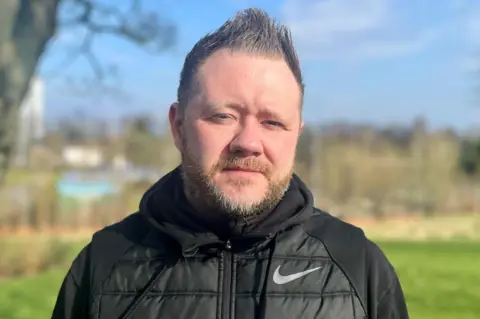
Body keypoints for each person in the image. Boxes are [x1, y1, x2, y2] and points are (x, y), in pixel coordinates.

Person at [51, 8, 409, 319]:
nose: (248, 143)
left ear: (296, 135)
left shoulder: (358, 266)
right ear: (178, 127)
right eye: (223, 116)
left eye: (272, 122)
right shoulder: (104, 263)